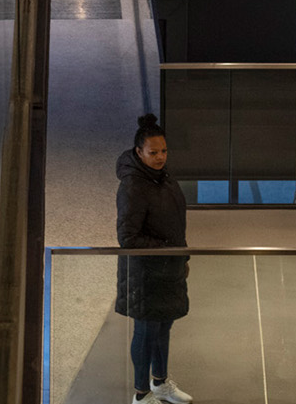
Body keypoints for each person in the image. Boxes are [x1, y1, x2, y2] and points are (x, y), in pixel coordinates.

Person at [116, 114, 192, 404]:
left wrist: (181, 257)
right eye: (153, 152)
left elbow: (175, 224)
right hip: (145, 273)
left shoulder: (164, 178)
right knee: (146, 331)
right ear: (139, 152)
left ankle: (159, 383)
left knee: (164, 326)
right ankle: (141, 394)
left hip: (168, 268)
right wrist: (168, 251)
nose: (160, 157)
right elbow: (128, 238)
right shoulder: (133, 187)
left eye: (164, 151)